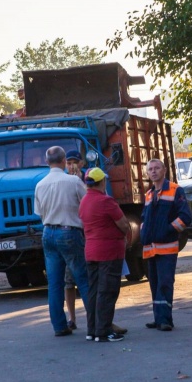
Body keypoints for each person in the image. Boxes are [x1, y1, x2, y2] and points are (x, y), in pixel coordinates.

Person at [34, 146, 90, 337]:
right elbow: (86, 205)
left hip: (48, 232)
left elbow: (40, 213)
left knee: (55, 283)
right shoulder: (73, 181)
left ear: (47, 161)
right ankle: (95, 321)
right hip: (69, 232)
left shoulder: (40, 185)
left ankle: (59, 326)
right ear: (64, 160)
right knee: (83, 278)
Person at [79, 167, 131, 343]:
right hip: (109, 251)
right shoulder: (106, 201)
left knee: (94, 291)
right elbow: (123, 224)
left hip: (91, 251)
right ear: (102, 182)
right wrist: (127, 236)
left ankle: (92, 330)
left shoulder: (84, 201)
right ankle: (104, 331)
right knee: (107, 291)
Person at [140, 158, 192, 331]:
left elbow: (185, 217)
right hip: (150, 248)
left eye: (156, 168)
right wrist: (143, 232)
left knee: (165, 283)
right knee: (154, 284)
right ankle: (158, 318)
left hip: (167, 247)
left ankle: (165, 320)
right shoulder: (149, 194)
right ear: (147, 174)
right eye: (150, 169)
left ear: (164, 170)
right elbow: (143, 218)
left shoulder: (176, 190)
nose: (153, 171)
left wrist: (167, 231)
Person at [62, 149, 85, 329]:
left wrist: (80, 180)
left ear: (81, 163)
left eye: (74, 162)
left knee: (89, 279)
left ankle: (94, 315)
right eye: (68, 163)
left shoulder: (89, 178)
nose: (71, 166)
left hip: (87, 235)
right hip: (71, 234)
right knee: (69, 281)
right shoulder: (62, 181)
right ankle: (72, 318)